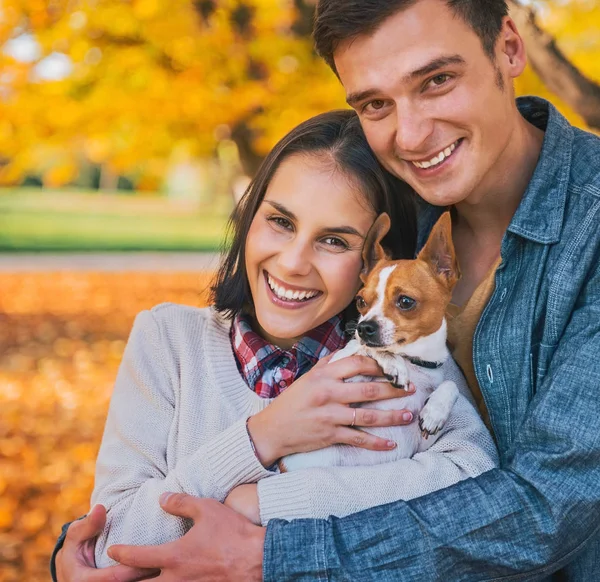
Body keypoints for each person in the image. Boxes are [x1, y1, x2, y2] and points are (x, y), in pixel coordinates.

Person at [51, 109, 498, 580]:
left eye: (333, 240)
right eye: (281, 221)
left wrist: (265, 503)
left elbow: (477, 483)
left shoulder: (407, 358)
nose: (292, 262)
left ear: (376, 258)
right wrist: (264, 435)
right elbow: (110, 545)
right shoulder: (168, 342)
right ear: (249, 215)